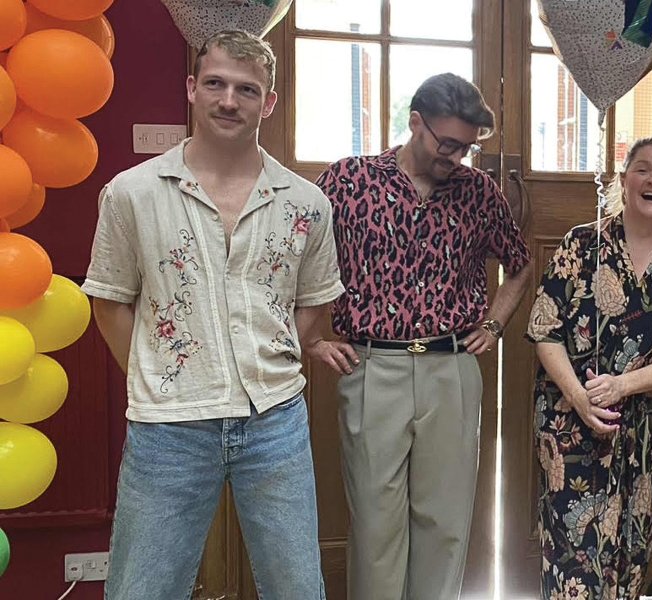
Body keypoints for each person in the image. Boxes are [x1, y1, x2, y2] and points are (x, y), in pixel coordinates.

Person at [83, 30, 342, 599]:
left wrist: (271, 356)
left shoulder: (306, 203)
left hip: (274, 419)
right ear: (191, 89)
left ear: (268, 102)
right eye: (217, 84)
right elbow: (108, 299)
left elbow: (315, 299)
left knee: (297, 587)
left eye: (247, 89)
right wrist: (161, 372)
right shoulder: (133, 193)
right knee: (141, 589)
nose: (230, 100)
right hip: (168, 427)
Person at [312, 72, 532, 600]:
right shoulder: (346, 181)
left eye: (467, 148)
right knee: (374, 525)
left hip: (450, 369)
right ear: (415, 122)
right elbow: (297, 262)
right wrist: (313, 339)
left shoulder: (480, 192)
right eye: (448, 144)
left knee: (446, 522)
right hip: (370, 367)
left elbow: (520, 266)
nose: (456, 157)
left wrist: (494, 324)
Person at [526, 137, 652, 599]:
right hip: (569, 420)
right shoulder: (581, 244)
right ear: (623, 180)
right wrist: (579, 396)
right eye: (642, 169)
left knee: (632, 548)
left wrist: (621, 386)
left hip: (643, 428)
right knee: (571, 551)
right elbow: (543, 330)